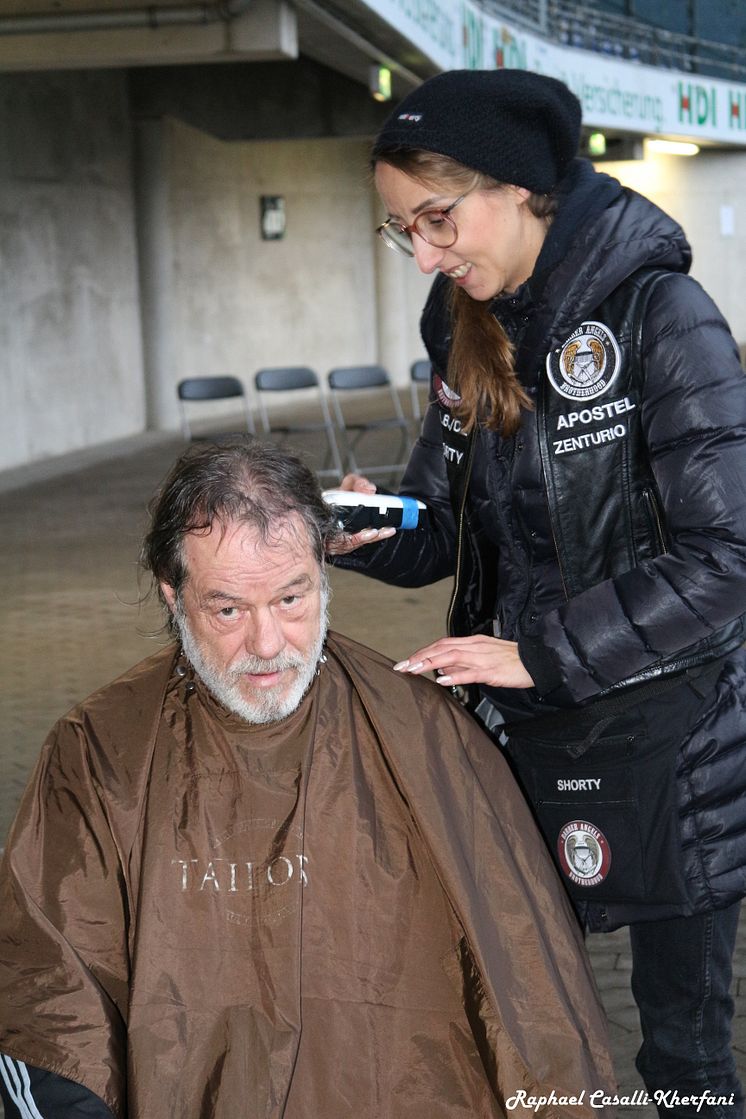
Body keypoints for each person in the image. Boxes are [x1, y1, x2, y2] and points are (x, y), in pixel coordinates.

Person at [330, 68, 746, 1116]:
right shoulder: (460, 321)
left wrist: (541, 652)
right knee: (522, 1025)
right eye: (401, 231)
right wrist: (350, 526)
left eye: (436, 219)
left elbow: (725, 557)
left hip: (668, 744)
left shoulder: (663, 314)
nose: (424, 254)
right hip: (521, 733)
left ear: (518, 188)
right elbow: (442, 525)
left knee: (683, 1065)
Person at [0, 439, 615, 1119]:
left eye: (291, 598)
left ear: (323, 570)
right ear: (174, 594)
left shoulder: (427, 732)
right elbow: (49, 1013)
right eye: (228, 609)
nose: (268, 645)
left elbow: (533, 996)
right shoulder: (97, 754)